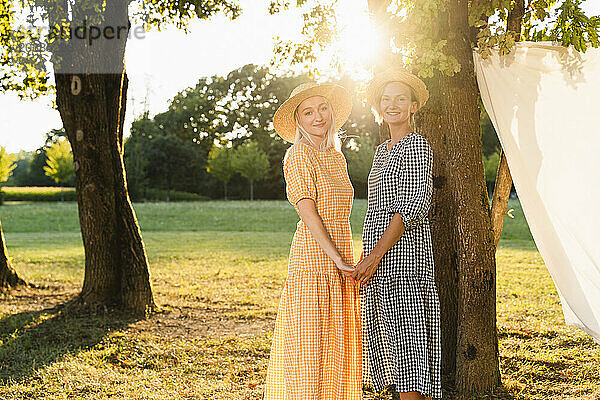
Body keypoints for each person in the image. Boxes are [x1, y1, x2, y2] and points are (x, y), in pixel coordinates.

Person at [264, 82, 362, 400]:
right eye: (308, 112)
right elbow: (308, 212)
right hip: (314, 258)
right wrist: (337, 259)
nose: (317, 116)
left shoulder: (337, 157)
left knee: (335, 345)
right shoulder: (297, 155)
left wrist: (348, 258)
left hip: (342, 252)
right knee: (310, 347)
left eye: (322, 108)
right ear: (299, 121)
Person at [352, 68, 442, 400]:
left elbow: (412, 208)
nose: (393, 105)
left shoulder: (416, 145)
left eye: (400, 99)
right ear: (378, 107)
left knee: (410, 342)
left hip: (404, 256)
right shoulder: (382, 151)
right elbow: (376, 209)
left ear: (413, 107)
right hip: (380, 258)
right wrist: (370, 255)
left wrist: (375, 255)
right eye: (386, 99)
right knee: (390, 342)